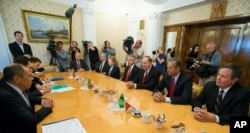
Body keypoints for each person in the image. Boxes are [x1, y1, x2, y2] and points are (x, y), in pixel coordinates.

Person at [0, 64, 54, 133]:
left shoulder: (12, 86)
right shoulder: (5, 96)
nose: (33, 78)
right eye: (29, 76)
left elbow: (25, 98)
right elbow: (30, 121)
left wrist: (41, 100)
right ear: (17, 79)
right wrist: (47, 107)